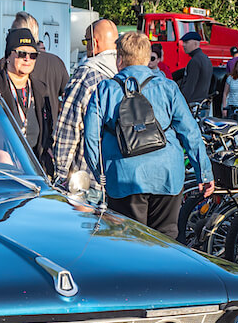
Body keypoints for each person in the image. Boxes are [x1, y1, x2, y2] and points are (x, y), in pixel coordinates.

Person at [83, 30, 214, 240]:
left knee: (127, 242)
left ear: (119, 59)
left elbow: (90, 138)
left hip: (123, 178)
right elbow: (190, 132)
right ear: (147, 58)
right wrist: (204, 173)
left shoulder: (104, 89)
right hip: (167, 176)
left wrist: (100, 174)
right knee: (166, 240)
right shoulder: (168, 87)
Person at [52, 18, 119, 188]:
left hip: (87, 176)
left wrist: (60, 174)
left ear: (94, 43)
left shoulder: (87, 75)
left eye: (86, 41)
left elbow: (69, 126)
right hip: (119, 176)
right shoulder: (126, 72)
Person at [0, 28, 55, 176]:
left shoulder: (41, 90)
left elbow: (48, 130)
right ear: (8, 56)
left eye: (33, 55)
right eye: (21, 54)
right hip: (0, 171)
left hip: (32, 171)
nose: (27, 59)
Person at [178, 30, 212, 107]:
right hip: (202, 103)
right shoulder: (205, 58)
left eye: (186, 42)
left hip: (193, 104)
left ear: (195, 43)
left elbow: (189, 86)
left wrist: (181, 103)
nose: (183, 45)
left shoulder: (195, 61)